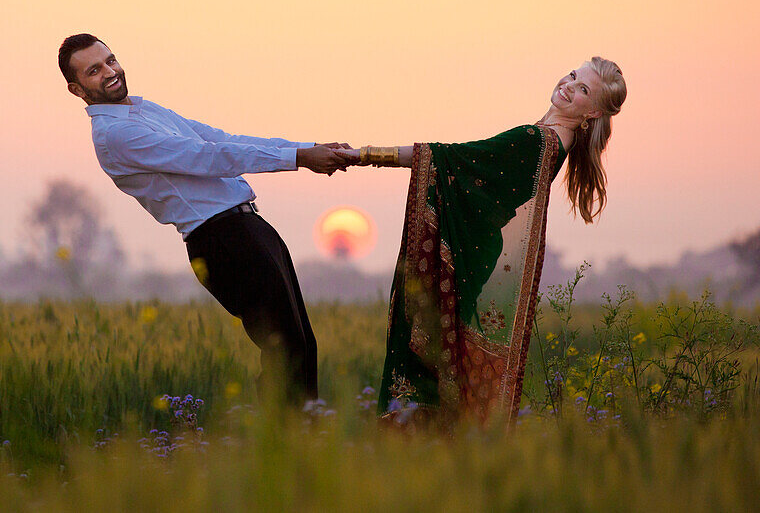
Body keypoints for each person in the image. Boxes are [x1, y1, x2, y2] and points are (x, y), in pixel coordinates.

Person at [58, 33, 357, 405]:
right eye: (94, 70)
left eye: (111, 60)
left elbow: (220, 138)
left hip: (248, 228)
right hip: (222, 241)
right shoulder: (116, 134)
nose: (110, 72)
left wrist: (307, 149)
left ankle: (301, 444)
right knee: (285, 350)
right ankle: (285, 451)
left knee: (301, 344)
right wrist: (299, 159)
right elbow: (207, 157)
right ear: (76, 89)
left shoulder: (142, 109)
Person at [340, 57, 627, 426]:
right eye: (574, 76)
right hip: (471, 251)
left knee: (426, 366)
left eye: (584, 89)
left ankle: (418, 453)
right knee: (439, 363)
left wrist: (363, 155)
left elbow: (448, 158)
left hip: (460, 256)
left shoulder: (536, 140)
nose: (570, 85)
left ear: (595, 113)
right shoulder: (554, 143)